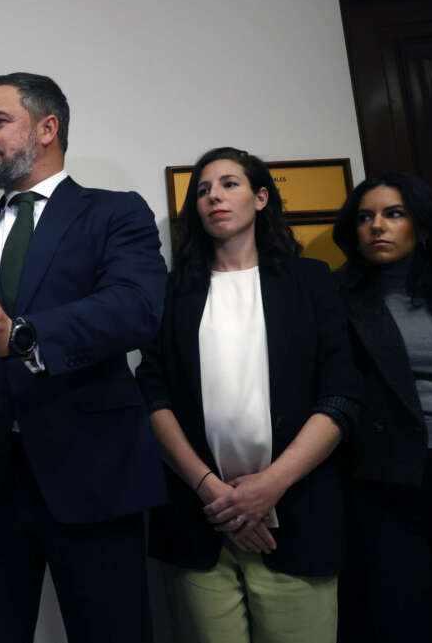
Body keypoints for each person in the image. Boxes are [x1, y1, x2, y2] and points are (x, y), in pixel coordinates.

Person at [0, 72, 168, 643]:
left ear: (47, 128)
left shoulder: (114, 213)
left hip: (93, 472)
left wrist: (22, 334)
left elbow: (137, 308)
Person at [136, 147, 361, 643]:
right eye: (202, 189)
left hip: (297, 516)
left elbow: (342, 395)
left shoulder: (311, 281)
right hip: (201, 524)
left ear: (262, 198)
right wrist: (212, 492)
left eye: (229, 184)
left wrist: (270, 486)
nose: (214, 195)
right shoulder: (172, 292)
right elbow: (153, 395)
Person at [332, 173, 432, 643]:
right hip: (383, 474)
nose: (376, 226)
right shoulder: (336, 295)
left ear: (421, 227)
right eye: (365, 217)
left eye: (393, 214)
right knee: (400, 613)